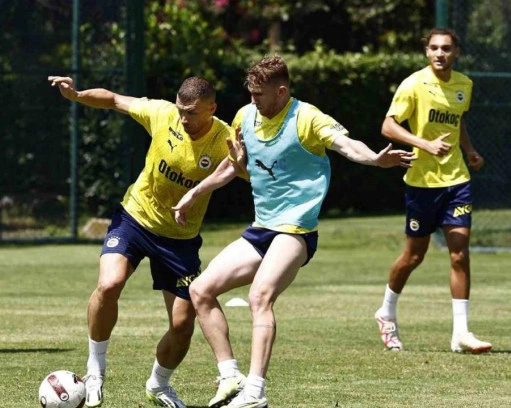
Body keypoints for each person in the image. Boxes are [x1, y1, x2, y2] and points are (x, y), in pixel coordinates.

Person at [173, 55, 415, 408]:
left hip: (296, 231)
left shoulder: (307, 118)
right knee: (200, 290)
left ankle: (255, 392)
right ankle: (230, 376)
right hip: (261, 229)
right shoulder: (245, 116)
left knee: (260, 296)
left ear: (282, 91)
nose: (253, 100)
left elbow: (347, 145)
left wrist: (375, 159)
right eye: (250, 93)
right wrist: (194, 193)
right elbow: (232, 166)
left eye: (259, 94)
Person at [48, 74, 234, 408]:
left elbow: (246, 167)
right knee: (109, 284)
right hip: (134, 218)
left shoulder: (225, 138)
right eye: (181, 110)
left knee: (182, 325)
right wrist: (76, 95)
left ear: (212, 108)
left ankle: (158, 386)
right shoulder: (162, 114)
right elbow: (114, 99)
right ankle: (95, 371)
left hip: (179, 239)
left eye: (191, 113)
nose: (183, 119)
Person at [373, 28, 491, 354]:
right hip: (421, 184)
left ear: (457, 53)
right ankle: (386, 311)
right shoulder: (413, 84)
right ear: (427, 52)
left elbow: (457, 120)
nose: (440, 53)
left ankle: (461, 333)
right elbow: (388, 126)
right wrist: (424, 144)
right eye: (434, 48)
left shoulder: (464, 85)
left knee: (459, 251)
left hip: (457, 179)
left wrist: (469, 150)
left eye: (447, 48)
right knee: (414, 256)